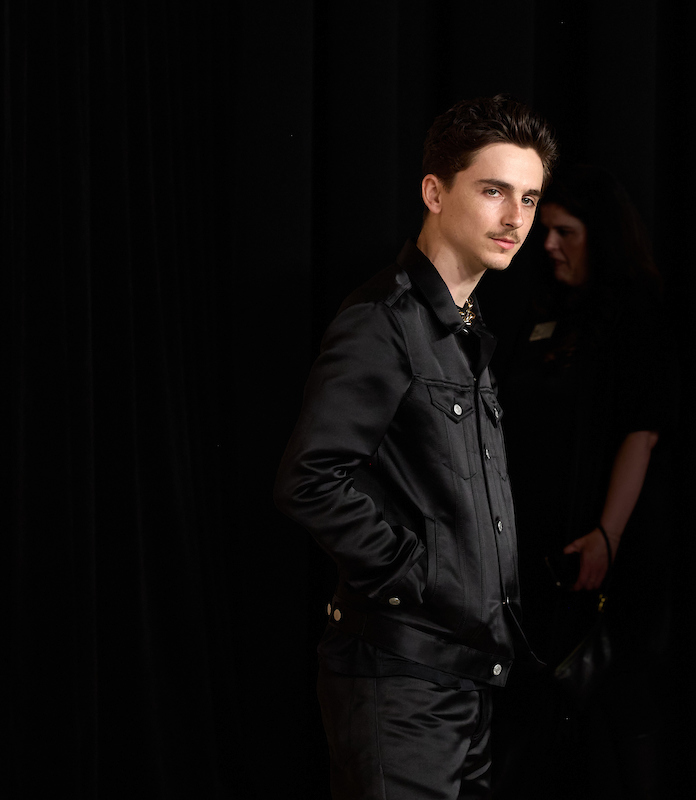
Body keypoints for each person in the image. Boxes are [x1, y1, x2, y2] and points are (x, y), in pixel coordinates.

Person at [273, 94, 557, 800]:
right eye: (493, 191)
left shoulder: (465, 329)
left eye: (528, 198)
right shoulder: (382, 322)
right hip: (400, 684)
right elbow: (309, 477)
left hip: (467, 680)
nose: (515, 218)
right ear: (434, 192)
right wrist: (416, 575)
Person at [490, 165, 668, 800]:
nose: (548, 244)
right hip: (541, 551)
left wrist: (607, 536)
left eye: (565, 232)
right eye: (547, 230)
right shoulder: (547, 312)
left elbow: (642, 433)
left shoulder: (638, 314)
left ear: (602, 237)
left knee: (618, 706)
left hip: (609, 553)